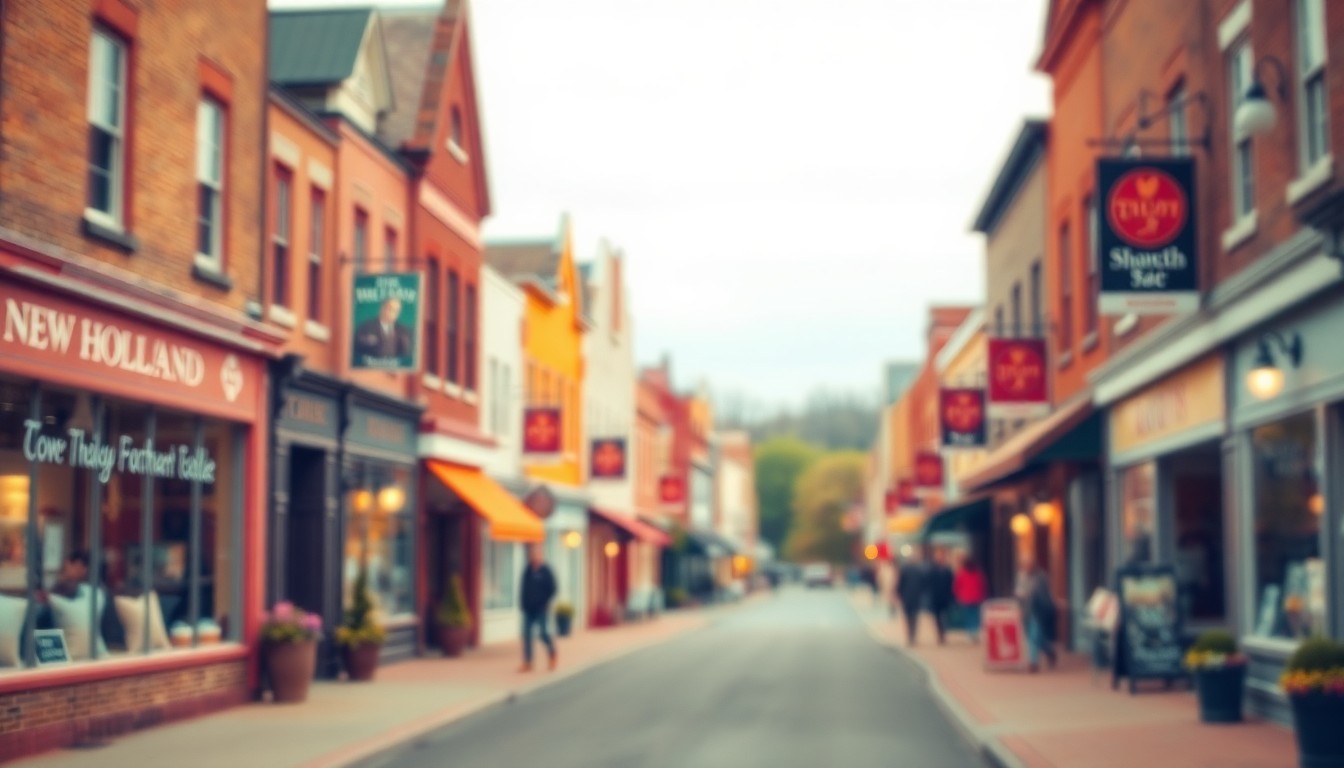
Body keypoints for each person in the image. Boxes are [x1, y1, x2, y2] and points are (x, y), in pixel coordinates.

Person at [518, 543, 558, 673]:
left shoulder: (546, 571)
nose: (534, 556)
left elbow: (553, 588)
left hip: (541, 608)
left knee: (543, 633)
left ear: (541, 555)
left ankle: (552, 652)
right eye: (532, 554)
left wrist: (545, 601)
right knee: (527, 635)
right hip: (528, 609)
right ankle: (528, 662)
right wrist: (523, 603)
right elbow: (523, 588)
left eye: (537, 554)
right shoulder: (528, 570)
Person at [1015, 561, 1058, 672]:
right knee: (1033, 636)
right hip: (1026, 611)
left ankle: (1033, 663)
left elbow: (1042, 595)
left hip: (1038, 611)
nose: (1025, 568)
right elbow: (1018, 593)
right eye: (1024, 566)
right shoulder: (1022, 577)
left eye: (1027, 565)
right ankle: (1049, 651)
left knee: (1034, 636)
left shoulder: (1041, 577)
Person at [352, 297, 412, 363]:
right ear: (382, 308)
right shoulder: (366, 327)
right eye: (390, 308)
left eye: (396, 310)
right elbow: (358, 351)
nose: (393, 313)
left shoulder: (403, 330)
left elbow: (406, 353)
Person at [953, 555, 988, 644]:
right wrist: (982, 594)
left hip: (965, 598)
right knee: (975, 615)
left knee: (968, 616)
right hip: (976, 597)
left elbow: (956, 586)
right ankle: (975, 632)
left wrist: (957, 595)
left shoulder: (961, 573)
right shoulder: (977, 573)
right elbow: (982, 584)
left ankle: (970, 633)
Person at [896, 551, 928, 646]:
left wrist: (900, 594)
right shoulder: (918, 570)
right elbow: (924, 584)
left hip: (907, 598)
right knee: (914, 618)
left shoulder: (905, 570)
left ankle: (911, 636)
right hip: (914, 597)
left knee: (909, 618)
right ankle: (912, 635)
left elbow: (900, 584)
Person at [926, 547, 954, 645]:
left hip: (945, 597)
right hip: (936, 598)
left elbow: (952, 583)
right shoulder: (932, 570)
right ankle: (940, 634)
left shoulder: (948, 570)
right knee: (937, 617)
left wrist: (952, 596)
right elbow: (928, 583)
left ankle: (944, 633)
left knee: (945, 617)